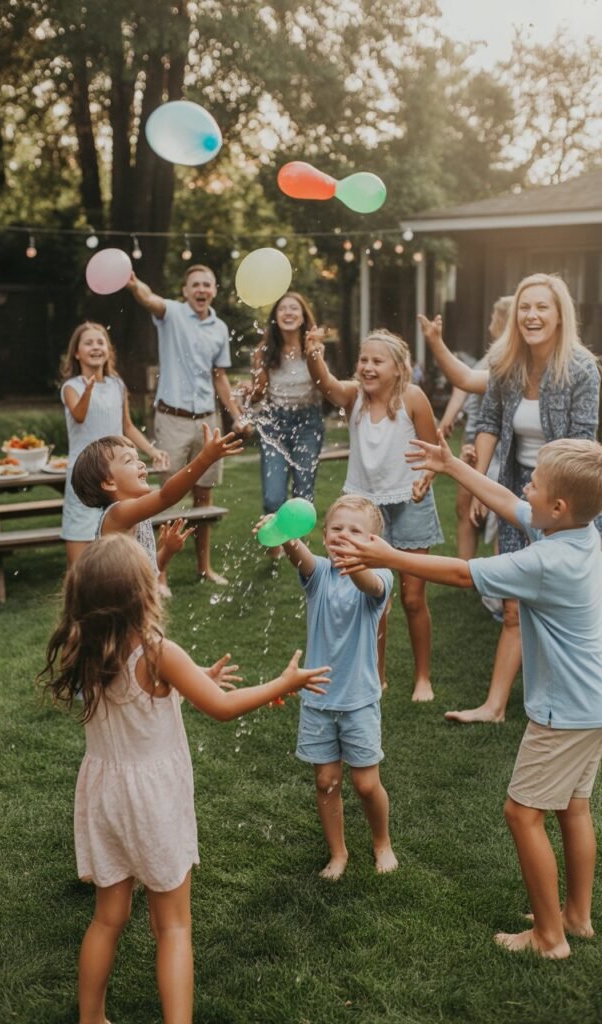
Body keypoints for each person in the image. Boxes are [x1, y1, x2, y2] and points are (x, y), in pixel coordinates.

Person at [38, 533, 330, 1024]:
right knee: (172, 927)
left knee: (108, 917)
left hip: (105, 795)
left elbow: (154, 696)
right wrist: (283, 683)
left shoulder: (85, 646)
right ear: (143, 595)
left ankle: (91, 1018)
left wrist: (196, 677)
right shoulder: (157, 653)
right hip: (152, 800)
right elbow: (220, 710)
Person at [333, 432, 602, 959]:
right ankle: (575, 917)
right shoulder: (579, 533)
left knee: (522, 812)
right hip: (592, 703)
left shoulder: (546, 563)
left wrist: (389, 555)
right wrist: (453, 465)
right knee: (573, 805)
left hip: (565, 711)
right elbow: (510, 503)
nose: (526, 487)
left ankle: (549, 938)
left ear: (559, 505)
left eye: (537, 484)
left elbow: (461, 572)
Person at [420, 274, 601, 723]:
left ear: (560, 315)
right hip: (522, 487)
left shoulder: (580, 369)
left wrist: (544, 511)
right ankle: (495, 706)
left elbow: (579, 449)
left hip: (565, 505)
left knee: (567, 608)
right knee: (513, 607)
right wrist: (479, 482)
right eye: (525, 307)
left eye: (542, 307)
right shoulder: (508, 365)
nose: (532, 316)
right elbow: (490, 424)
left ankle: (576, 701)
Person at [258, 494, 395, 880]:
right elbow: (298, 555)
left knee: (367, 785)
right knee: (326, 781)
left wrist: (357, 561)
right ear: (323, 535)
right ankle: (338, 853)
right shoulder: (318, 575)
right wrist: (284, 532)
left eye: (355, 531)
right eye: (336, 529)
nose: (343, 536)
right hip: (318, 699)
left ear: (372, 543)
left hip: (358, 700)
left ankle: (381, 841)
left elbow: (368, 584)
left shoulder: (380, 576)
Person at [305, 326, 443, 701]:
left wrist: (425, 479)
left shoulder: (413, 398)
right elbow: (326, 383)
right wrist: (314, 353)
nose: (367, 367)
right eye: (363, 360)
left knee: (414, 598)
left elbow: (434, 452)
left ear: (398, 368)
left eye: (376, 361)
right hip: (364, 511)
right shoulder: (354, 397)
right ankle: (376, 676)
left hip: (410, 504)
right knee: (373, 600)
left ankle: (423, 678)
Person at [127, 265, 247, 586]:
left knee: (204, 497)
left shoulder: (220, 328)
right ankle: (160, 574)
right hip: (172, 419)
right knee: (168, 495)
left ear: (214, 291)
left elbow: (219, 377)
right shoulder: (173, 314)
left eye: (207, 284)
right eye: (195, 285)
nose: (201, 290)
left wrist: (235, 414)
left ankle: (204, 567)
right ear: (185, 290)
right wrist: (134, 283)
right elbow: (149, 299)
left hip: (208, 420)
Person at [59, 321, 170, 567]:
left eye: (101, 342)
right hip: (85, 475)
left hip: (117, 475)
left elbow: (128, 427)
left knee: (122, 537)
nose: (95, 347)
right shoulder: (71, 387)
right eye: (88, 343)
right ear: (77, 352)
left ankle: (129, 582)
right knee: (80, 533)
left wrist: (151, 450)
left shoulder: (117, 385)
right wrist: (88, 389)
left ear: (108, 350)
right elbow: (79, 415)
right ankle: (79, 586)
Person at [71, 425, 242, 582]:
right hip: (121, 609)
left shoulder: (135, 517)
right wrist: (204, 459)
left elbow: (150, 570)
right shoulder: (118, 514)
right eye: (129, 460)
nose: (140, 464)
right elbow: (166, 497)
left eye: (138, 458)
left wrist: (167, 551)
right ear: (109, 482)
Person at [436, 297, 513, 566]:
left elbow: (464, 382)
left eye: (494, 318)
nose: (490, 323)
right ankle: (465, 570)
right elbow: (465, 381)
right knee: (465, 507)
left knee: (491, 510)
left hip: (493, 443)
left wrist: (447, 417)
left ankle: (494, 576)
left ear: (503, 321)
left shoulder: (504, 356)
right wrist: (450, 417)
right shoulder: (491, 354)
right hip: (474, 438)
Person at [249, 292, 325, 558]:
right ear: (275, 317)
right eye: (283, 309)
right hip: (274, 423)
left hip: (308, 422)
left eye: (295, 308)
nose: (289, 313)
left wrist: (314, 351)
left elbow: (323, 385)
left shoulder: (313, 349)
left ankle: (297, 550)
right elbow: (258, 394)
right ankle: (274, 543)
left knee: (303, 492)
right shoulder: (264, 351)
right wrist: (251, 389)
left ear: (303, 316)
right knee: (273, 496)